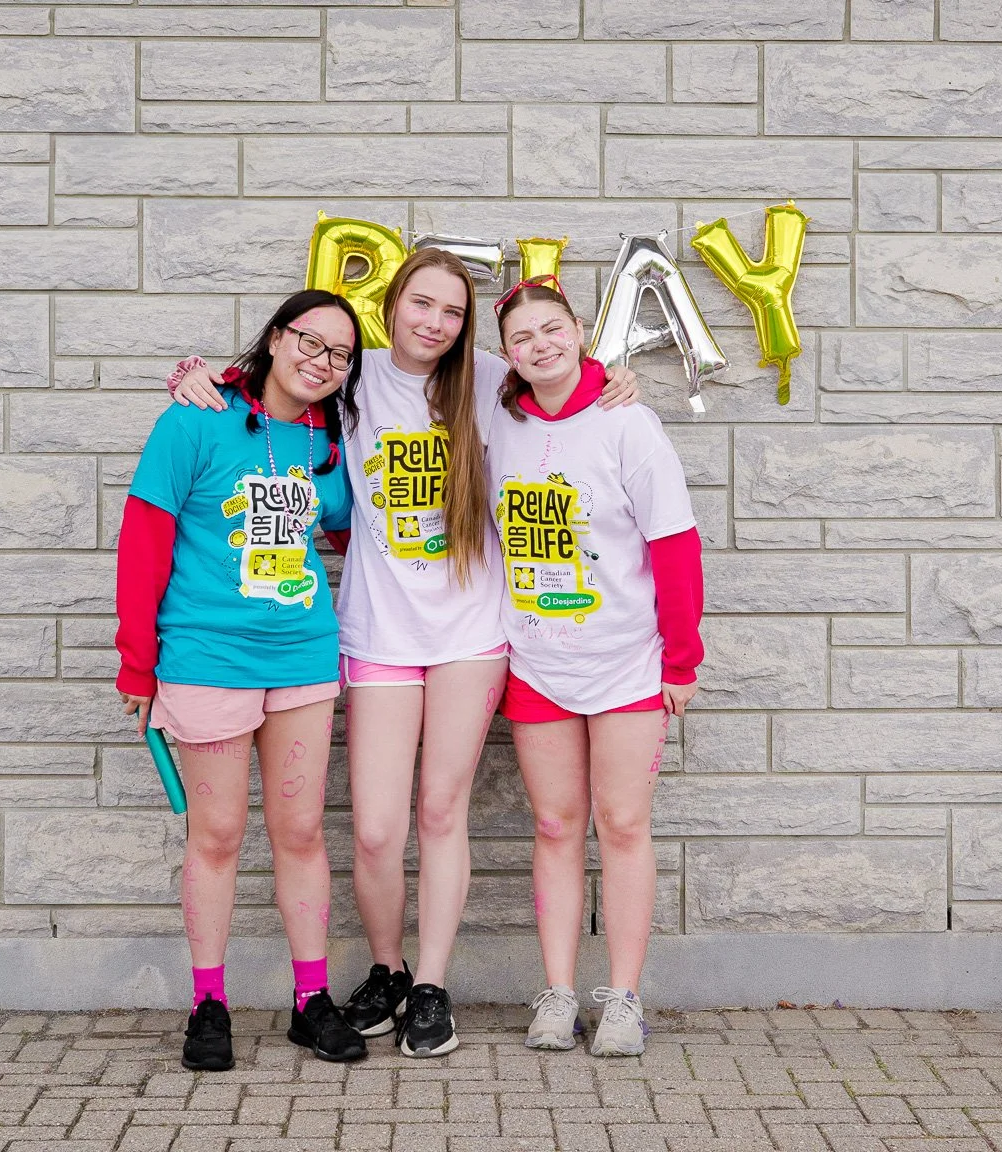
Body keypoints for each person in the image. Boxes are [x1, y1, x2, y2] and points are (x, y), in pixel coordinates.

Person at [164, 249, 638, 1058]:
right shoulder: (354, 376)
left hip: (470, 634)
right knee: (378, 829)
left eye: (453, 312)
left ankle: (432, 987)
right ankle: (388, 970)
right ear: (393, 305)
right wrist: (201, 378)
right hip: (378, 630)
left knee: (440, 812)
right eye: (422, 304)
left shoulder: (490, 380)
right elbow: (279, 387)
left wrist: (615, 379)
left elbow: (567, 387)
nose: (436, 323)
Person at [116, 290, 368, 1072]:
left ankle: (311, 1000)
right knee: (218, 834)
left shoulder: (330, 444)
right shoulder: (193, 419)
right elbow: (143, 542)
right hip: (207, 659)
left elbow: (352, 532)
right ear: (276, 337)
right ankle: (209, 1003)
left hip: (301, 659)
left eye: (340, 354)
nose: (321, 362)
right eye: (310, 341)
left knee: (300, 832)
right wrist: (137, 662)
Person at [486, 276, 704, 1057]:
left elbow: (674, 543)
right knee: (554, 824)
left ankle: (624, 998)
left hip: (627, 663)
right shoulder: (497, 419)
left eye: (552, 329)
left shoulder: (627, 421)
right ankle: (557, 994)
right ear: (506, 355)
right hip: (536, 661)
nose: (540, 345)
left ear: (579, 329)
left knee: (623, 823)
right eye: (521, 338)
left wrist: (682, 658)